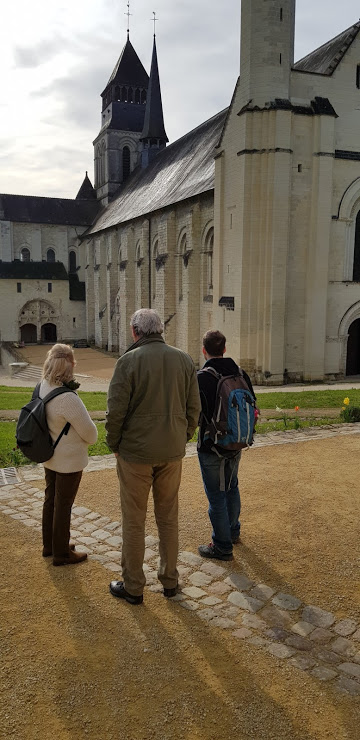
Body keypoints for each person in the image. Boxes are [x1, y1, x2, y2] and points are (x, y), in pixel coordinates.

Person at [105, 308, 201, 605]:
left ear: (136, 332)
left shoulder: (128, 362)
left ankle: (133, 586)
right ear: (160, 330)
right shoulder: (183, 359)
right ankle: (170, 580)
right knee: (168, 516)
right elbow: (193, 408)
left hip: (136, 453)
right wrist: (182, 436)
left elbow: (115, 411)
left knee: (134, 520)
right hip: (171, 451)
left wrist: (114, 443)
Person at [197, 330, 257, 561]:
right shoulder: (241, 373)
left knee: (216, 495)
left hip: (211, 446)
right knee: (232, 487)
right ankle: (233, 532)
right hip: (236, 441)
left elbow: (194, 411)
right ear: (224, 349)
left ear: (204, 351)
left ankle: (222, 546)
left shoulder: (202, 377)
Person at [40, 344, 98, 566]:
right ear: (69, 366)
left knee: (50, 500)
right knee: (63, 504)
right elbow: (91, 434)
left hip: (49, 454)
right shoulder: (68, 399)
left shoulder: (43, 386)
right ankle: (62, 553)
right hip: (68, 460)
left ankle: (51, 544)